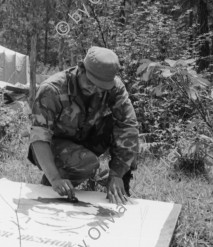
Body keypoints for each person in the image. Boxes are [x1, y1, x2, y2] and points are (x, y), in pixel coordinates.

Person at [28, 46, 139, 204]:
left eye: (100, 87)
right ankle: (53, 185)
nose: (94, 89)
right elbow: (39, 136)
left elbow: (128, 127)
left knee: (129, 138)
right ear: (81, 68)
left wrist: (116, 174)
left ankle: (119, 188)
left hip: (86, 137)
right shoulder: (52, 89)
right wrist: (55, 178)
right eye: (90, 82)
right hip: (54, 144)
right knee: (87, 163)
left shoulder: (115, 88)